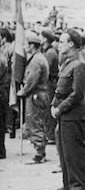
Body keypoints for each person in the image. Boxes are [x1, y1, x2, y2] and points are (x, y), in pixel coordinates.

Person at [53, 29, 85, 190]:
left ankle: (80, 185)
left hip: (74, 113)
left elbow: (77, 94)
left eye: (62, 42)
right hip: (65, 113)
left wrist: (60, 108)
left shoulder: (79, 64)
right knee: (64, 150)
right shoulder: (68, 62)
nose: (59, 45)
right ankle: (69, 182)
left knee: (74, 150)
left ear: (71, 44)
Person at [17, 31, 50, 163]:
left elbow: (32, 80)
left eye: (27, 44)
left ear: (32, 46)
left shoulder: (36, 60)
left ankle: (39, 152)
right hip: (38, 93)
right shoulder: (39, 58)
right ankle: (40, 149)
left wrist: (23, 91)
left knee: (35, 122)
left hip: (36, 94)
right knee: (38, 122)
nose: (25, 46)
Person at [41, 30, 59, 145]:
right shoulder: (49, 51)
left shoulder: (50, 53)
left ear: (46, 39)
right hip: (50, 82)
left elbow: (45, 69)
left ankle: (50, 135)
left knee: (48, 109)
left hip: (50, 83)